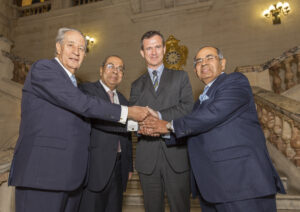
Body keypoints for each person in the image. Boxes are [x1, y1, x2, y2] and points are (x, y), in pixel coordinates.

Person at [8, 27, 149, 212]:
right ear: (58, 47)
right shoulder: (44, 69)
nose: (76, 51)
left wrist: (141, 125)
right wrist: (128, 112)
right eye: (71, 45)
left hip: (71, 180)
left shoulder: (74, 85)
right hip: (43, 175)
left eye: (82, 48)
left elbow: (94, 121)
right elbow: (82, 104)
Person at [139, 46, 286, 212]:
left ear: (222, 64)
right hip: (213, 188)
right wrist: (156, 129)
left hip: (242, 184)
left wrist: (167, 125)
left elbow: (213, 114)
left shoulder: (235, 82)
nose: (204, 63)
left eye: (210, 58)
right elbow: (195, 129)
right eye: (199, 61)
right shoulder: (199, 103)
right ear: (195, 70)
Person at [129, 30, 194, 212]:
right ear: (142, 52)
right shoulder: (136, 85)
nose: (154, 52)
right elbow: (133, 116)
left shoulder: (180, 77)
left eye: (157, 47)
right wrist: (141, 128)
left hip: (176, 155)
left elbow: (187, 108)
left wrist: (158, 116)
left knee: (180, 208)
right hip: (147, 159)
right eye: (149, 48)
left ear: (164, 49)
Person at [78, 55, 133, 212]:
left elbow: (127, 137)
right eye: (111, 66)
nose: (115, 71)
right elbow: (98, 117)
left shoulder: (123, 100)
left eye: (120, 68)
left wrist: (129, 166)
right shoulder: (87, 90)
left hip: (118, 168)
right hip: (95, 167)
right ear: (101, 70)